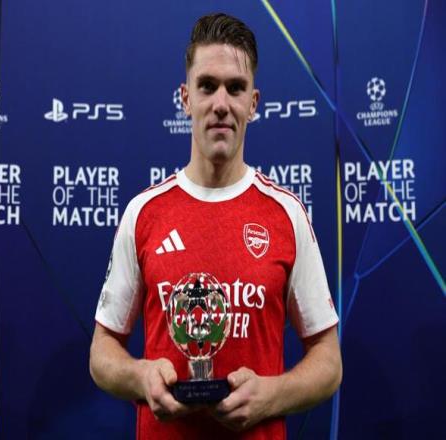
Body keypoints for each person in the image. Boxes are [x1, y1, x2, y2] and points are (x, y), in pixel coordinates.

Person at [90, 12, 342, 439]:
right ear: (185, 98)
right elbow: (102, 352)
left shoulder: (287, 215)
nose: (221, 103)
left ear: (253, 103)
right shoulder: (143, 213)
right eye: (207, 86)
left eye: (235, 88)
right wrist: (141, 377)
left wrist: (272, 395)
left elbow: (329, 360)